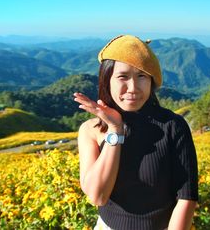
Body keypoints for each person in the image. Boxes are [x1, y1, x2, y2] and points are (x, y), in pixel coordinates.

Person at [73, 35, 198, 230]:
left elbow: (187, 198)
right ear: (107, 80)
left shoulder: (173, 126)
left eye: (142, 76)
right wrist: (115, 130)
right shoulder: (91, 131)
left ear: (151, 82)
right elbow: (97, 196)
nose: (133, 88)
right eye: (122, 77)